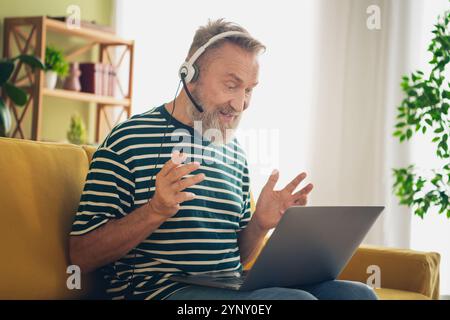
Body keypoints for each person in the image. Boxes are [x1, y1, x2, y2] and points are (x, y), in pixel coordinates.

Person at [69, 18, 378, 300]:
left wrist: (259, 225)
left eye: (249, 90)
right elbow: (82, 255)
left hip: (225, 290)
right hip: (157, 292)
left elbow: (237, 260)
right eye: (231, 85)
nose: (240, 103)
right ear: (190, 75)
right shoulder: (129, 139)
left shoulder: (233, 152)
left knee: (356, 295)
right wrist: (155, 211)